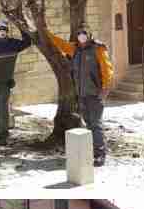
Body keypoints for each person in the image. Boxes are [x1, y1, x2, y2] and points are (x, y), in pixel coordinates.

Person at [47, 24, 113, 166]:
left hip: (95, 94)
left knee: (95, 124)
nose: (81, 36)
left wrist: (105, 90)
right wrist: (46, 33)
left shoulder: (98, 49)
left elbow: (107, 70)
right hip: (82, 94)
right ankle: (93, 151)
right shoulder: (75, 49)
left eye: (84, 33)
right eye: (79, 33)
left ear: (89, 35)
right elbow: (61, 44)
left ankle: (100, 154)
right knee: (89, 123)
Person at [0, 20, 32, 144]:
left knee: (3, 108)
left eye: (4, 30)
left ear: (7, 31)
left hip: (5, 83)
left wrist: (21, 26)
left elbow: (28, 42)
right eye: (0, 30)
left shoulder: (13, 44)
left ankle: (4, 134)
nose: (2, 32)